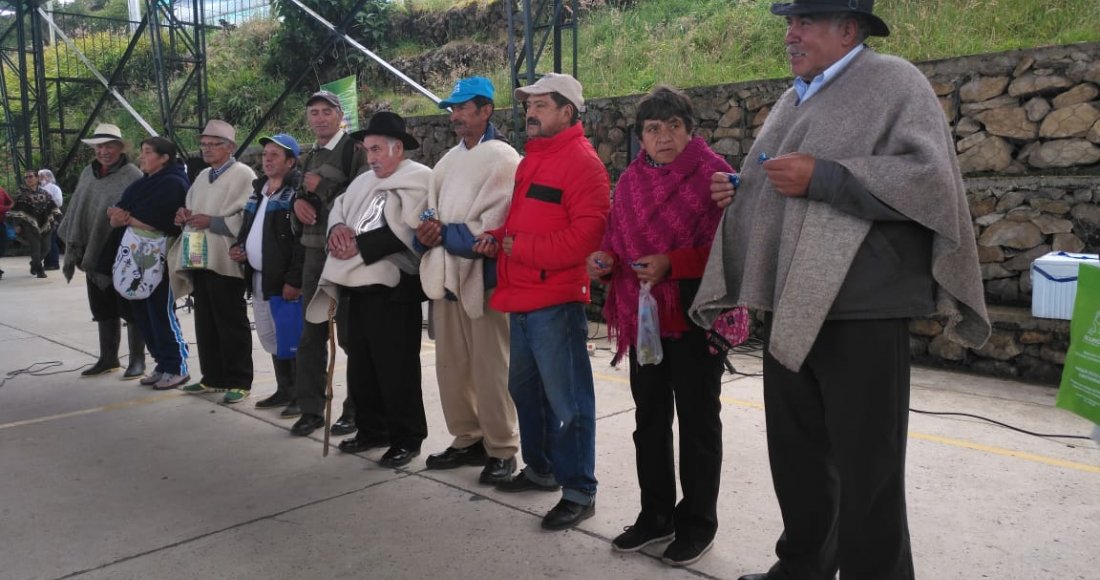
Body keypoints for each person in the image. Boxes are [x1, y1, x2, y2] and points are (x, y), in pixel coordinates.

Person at [691, 2, 992, 579]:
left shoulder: (894, 82)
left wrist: (826, 177)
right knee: (797, 458)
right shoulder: (795, 96)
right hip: (789, 298)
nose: (791, 34)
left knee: (869, 472)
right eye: (789, 22)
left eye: (806, 22)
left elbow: (930, 181)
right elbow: (778, 177)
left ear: (849, 29)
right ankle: (803, 568)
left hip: (862, 309)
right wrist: (743, 189)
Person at [586, 86, 731, 566]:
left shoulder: (715, 177)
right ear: (641, 138)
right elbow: (615, 238)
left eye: (673, 126)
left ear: (691, 132)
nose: (664, 136)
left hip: (693, 318)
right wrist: (605, 263)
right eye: (653, 129)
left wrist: (674, 262)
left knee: (697, 425)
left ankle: (697, 525)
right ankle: (655, 516)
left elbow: (730, 251)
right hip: (643, 321)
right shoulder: (629, 182)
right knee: (648, 422)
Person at [472, 73, 610, 531]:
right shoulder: (533, 160)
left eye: (542, 105)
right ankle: (542, 469)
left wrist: (519, 248)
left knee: (568, 402)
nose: (530, 112)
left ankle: (578, 491)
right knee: (526, 392)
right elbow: (518, 221)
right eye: (529, 105)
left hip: (555, 302)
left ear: (567, 112)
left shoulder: (583, 164)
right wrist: (496, 238)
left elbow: (584, 239)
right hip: (523, 300)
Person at [305, 112, 430, 468]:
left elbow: (412, 227)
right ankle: (372, 429)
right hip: (355, 288)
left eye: (377, 149)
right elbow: (338, 210)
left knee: (397, 368)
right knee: (361, 365)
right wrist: (338, 232)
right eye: (367, 149)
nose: (371, 156)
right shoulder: (361, 180)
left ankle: (407, 437)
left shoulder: (420, 178)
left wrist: (359, 246)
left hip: (392, 290)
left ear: (397, 148)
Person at [415, 77, 521, 485]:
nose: (455, 115)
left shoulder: (504, 159)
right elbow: (428, 215)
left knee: (492, 367)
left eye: (463, 108)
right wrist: (423, 234)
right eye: (452, 108)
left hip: (485, 278)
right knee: (452, 366)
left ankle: (502, 446)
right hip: (446, 276)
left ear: (486, 110)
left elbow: (494, 224)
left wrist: (441, 233)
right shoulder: (445, 161)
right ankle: (468, 437)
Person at [290, 90, 367, 437]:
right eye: (313, 112)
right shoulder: (311, 155)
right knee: (312, 334)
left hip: (343, 255)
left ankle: (356, 409)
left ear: (340, 116)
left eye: (326, 111)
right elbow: (301, 196)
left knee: (351, 336)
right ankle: (311, 409)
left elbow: (361, 198)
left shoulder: (354, 150)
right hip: (313, 254)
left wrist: (322, 188)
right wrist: (297, 206)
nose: (319, 118)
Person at [169, 120, 256, 402]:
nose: (206, 149)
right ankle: (212, 377)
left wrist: (213, 221)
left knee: (230, 319)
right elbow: (191, 206)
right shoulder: (203, 175)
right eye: (203, 144)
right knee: (205, 319)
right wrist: (184, 215)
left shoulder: (243, 174)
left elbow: (247, 217)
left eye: (212, 144)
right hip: (197, 250)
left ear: (229, 147)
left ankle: (239, 380)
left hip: (225, 255)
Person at [102, 137, 191, 389]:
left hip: (159, 259)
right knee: (142, 314)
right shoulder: (143, 183)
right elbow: (115, 214)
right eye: (142, 152)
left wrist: (126, 217)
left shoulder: (173, 183)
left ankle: (176, 366)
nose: (142, 157)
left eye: (148, 152)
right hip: (135, 258)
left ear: (164, 157)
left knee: (161, 312)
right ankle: (162, 364)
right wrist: (123, 217)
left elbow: (160, 222)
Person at [59, 123, 146, 379]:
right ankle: (108, 358)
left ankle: (137, 360)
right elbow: (79, 208)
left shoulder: (133, 175)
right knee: (101, 307)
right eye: (99, 146)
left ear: (120, 148)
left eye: (110, 146)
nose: (104, 151)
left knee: (130, 307)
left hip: (124, 252)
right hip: (93, 251)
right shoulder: (88, 173)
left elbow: (140, 213)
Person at [230, 134, 305, 418]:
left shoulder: (296, 193)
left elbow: (301, 242)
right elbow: (249, 228)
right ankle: (284, 388)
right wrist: (240, 247)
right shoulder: (259, 191)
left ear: (291, 161)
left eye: (276, 155)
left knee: (293, 335)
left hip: (284, 280)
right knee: (270, 335)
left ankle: (302, 393)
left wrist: (294, 280)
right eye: (266, 154)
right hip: (260, 276)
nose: (268, 159)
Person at [9, 171, 60, 279]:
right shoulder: (21, 194)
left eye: (31, 176)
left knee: (46, 248)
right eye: (26, 177)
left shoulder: (45, 193)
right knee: (35, 248)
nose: (28, 179)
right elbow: (16, 210)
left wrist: (55, 219)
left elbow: (53, 207)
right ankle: (39, 269)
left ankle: (34, 264)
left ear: (37, 178)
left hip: (46, 224)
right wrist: (17, 224)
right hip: (29, 225)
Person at [38, 168, 64, 271]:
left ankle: (53, 263)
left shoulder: (54, 188)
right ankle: (47, 262)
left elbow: (59, 202)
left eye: (42, 176)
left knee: (51, 240)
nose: (40, 179)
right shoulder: (39, 188)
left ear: (48, 177)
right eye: (39, 176)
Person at [0, 185, 12, 279]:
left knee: (2, 246)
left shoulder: (1, 190)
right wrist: (6, 208)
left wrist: (10, 206)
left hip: (1, 222)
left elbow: (10, 202)